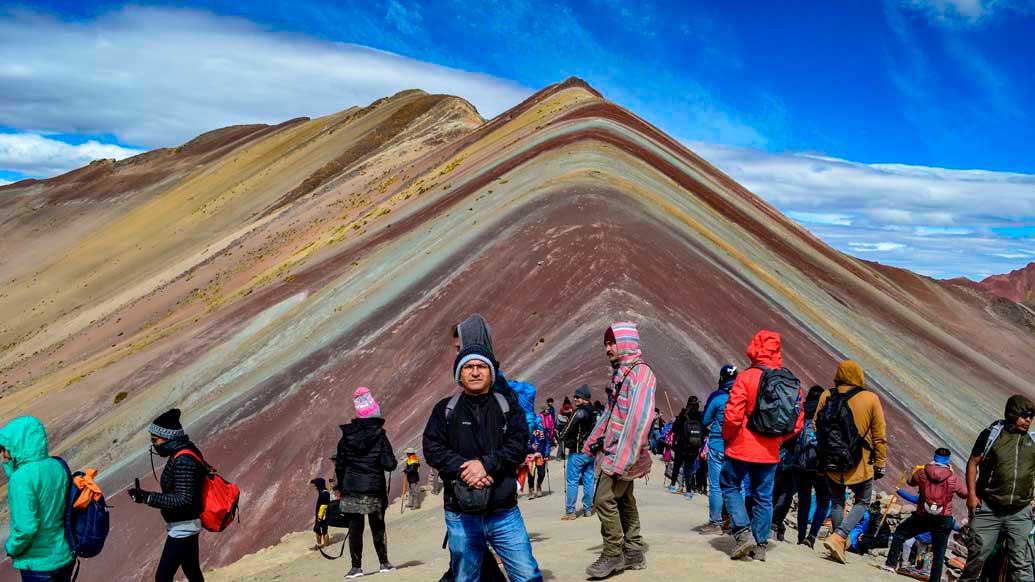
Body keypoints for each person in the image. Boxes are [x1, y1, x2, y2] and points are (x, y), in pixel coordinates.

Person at [423, 337, 543, 581]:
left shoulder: (508, 406)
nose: (475, 372)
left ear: (491, 372)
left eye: (481, 366)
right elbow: (432, 448)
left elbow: (518, 446)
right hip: (461, 513)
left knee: (527, 575)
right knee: (465, 578)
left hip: (504, 512)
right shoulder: (445, 409)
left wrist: (486, 465)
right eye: (468, 367)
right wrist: (464, 468)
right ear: (459, 374)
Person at [720, 331, 805, 562]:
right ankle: (760, 545)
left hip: (742, 446)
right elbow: (798, 422)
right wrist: (777, 440)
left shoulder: (746, 377)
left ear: (754, 348)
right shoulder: (789, 382)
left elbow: (732, 415)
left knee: (729, 483)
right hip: (770, 452)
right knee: (764, 496)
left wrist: (728, 438)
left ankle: (741, 532)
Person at [583, 322, 656, 578]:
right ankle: (634, 551)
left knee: (603, 499)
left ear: (625, 342)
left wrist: (621, 460)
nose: (608, 348)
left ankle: (613, 554)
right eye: (606, 343)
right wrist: (594, 438)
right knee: (624, 499)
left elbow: (638, 421)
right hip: (618, 450)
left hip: (625, 453)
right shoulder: (622, 373)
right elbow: (612, 412)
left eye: (612, 342)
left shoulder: (641, 374)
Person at [816, 360, 887, 565]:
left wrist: (822, 457)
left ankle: (838, 542)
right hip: (860, 463)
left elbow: (816, 427)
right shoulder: (870, 398)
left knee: (838, 502)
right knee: (863, 501)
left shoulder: (827, 395)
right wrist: (880, 462)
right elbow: (879, 435)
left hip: (830, 462)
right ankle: (840, 537)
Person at [959, 395, 1035, 582]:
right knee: (977, 558)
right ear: (1013, 413)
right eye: (1024, 415)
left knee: (1022, 564)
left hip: (1020, 511)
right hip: (988, 508)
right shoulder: (992, 434)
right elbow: (973, 463)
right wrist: (971, 496)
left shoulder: (1032, 441)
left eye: (1031, 416)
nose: (1028, 420)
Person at [127, 409, 208, 582]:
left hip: (183, 527)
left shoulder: (183, 459)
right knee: (192, 571)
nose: (153, 445)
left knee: (163, 577)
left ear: (168, 437)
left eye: (154, 440)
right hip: (185, 524)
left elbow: (183, 499)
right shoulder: (180, 454)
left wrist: (148, 497)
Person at [0, 416, 75, 582]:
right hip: (63, 554)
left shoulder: (20, 478)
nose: (4, 454)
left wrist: (11, 548)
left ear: (17, 444)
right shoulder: (57, 465)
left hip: (38, 563)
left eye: (4, 448)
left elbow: (27, 527)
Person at [334, 387, 398, 578]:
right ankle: (384, 563)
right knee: (378, 526)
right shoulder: (380, 436)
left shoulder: (345, 438)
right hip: (374, 489)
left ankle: (356, 568)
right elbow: (390, 464)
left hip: (351, 489)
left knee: (355, 528)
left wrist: (341, 486)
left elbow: (340, 466)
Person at [883, 448, 966, 581]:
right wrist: (952, 473)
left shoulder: (923, 472)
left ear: (935, 457)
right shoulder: (953, 477)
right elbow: (964, 494)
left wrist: (922, 468)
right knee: (939, 551)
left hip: (922, 515)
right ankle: (934, 579)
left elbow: (910, 481)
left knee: (900, 534)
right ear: (948, 460)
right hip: (943, 517)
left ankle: (891, 564)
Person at [776, 385, 829, 547]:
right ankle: (812, 537)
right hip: (821, 466)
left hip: (800, 464)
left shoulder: (801, 410)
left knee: (804, 501)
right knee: (823, 502)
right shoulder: (827, 413)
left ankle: (800, 536)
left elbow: (790, 434)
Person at [699, 365, 738, 534]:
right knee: (737, 486)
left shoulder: (717, 396)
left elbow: (705, 419)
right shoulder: (741, 396)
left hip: (717, 445)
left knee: (715, 485)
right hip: (736, 448)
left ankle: (715, 522)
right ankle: (737, 522)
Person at [560, 384, 597, 520]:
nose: (575, 399)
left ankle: (571, 512)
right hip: (591, 451)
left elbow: (568, 428)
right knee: (588, 480)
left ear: (583, 398)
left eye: (578, 397)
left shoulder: (579, 412)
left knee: (572, 481)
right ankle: (588, 509)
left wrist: (561, 437)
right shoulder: (595, 411)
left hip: (577, 451)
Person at [668, 406, 703, 499]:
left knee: (677, 466)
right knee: (689, 470)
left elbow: (675, 429)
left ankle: (672, 485)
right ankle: (688, 491)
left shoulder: (682, 417)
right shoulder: (699, 417)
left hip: (681, 447)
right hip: (693, 448)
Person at [311, 478, 331, 548]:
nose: (315, 487)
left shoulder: (324, 494)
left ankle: (326, 547)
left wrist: (319, 518)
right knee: (319, 530)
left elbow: (323, 507)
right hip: (323, 514)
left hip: (322, 515)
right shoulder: (324, 492)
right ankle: (320, 545)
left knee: (323, 530)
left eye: (316, 485)